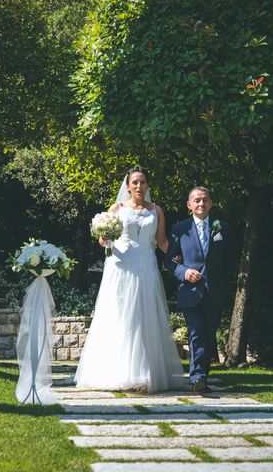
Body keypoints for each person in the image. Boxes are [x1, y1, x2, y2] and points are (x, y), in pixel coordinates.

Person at [74, 166, 184, 393]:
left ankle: (144, 374)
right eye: (134, 182)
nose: (139, 186)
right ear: (127, 186)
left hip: (146, 267)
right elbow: (103, 241)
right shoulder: (117, 208)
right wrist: (104, 234)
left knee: (144, 318)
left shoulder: (156, 210)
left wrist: (180, 258)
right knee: (123, 317)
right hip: (121, 268)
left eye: (142, 182)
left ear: (147, 185)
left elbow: (162, 241)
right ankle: (120, 373)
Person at [165, 186, 231, 393]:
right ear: (189, 205)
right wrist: (184, 272)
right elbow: (170, 261)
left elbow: (229, 261)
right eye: (197, 200)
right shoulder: (179, 228)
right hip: (190, 291)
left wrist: (224, 283)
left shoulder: (223, 228)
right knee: (195, 333)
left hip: (214, 290)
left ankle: (202, 374)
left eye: (205, 200)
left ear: (210, 203)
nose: (201, 204)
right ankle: (198, 378)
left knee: (209, 334)